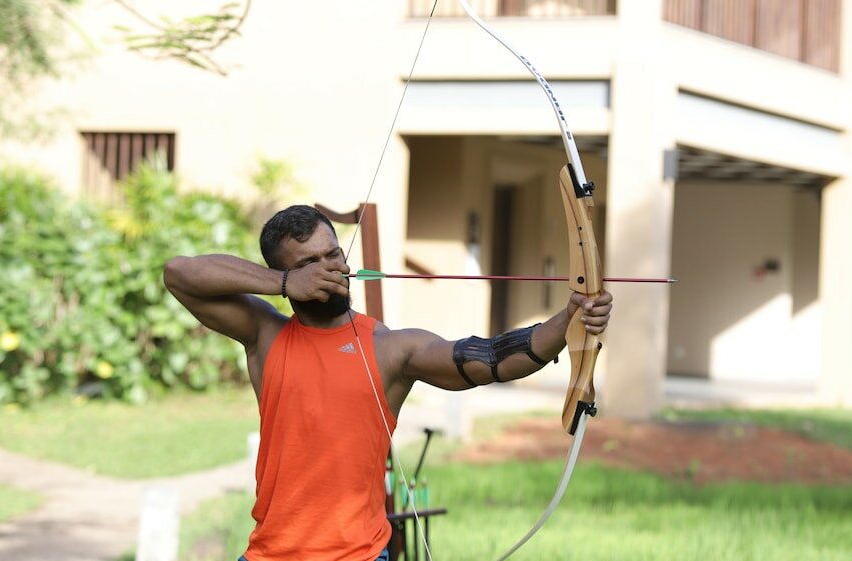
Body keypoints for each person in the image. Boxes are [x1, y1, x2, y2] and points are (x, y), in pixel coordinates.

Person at [163, 205, 613, 561]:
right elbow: (179, 273)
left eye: (332, 254)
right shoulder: (266, 334)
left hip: (358, 556)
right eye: (309, 263)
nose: (329, 268)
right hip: (270, 554)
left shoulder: (390, 348)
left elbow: (489, 360)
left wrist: (570, 318)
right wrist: (282, 283)